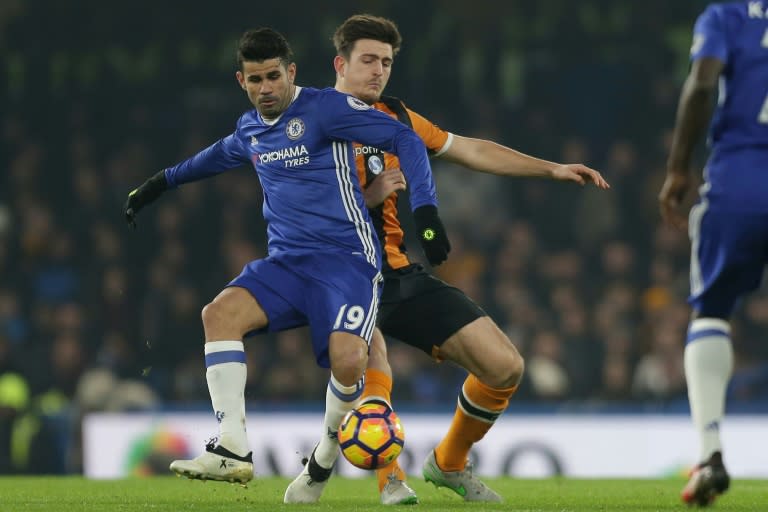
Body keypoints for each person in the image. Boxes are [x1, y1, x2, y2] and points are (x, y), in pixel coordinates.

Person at [287, 14, 609, 506]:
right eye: (368, 60)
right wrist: (364, 198)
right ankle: (386, 479)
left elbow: (471, 149)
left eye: (387, 62)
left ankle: (449, 463)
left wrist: (551, 168)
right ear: (340, 63)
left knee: (504, 366)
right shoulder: (304, 120)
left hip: (398, 271)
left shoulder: (396, 119)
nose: (378, 71)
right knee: (372, 359)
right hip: (337, 274)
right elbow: (286, 200)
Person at [122, 27, 450, 496]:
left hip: (347, 262)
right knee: (218, 315)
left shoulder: (326, 109)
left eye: (273, 76)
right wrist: (158, 184)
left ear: (291, 72)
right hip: (288, 265)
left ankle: (318, 464)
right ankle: (231, 448)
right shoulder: (250, 128)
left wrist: (428, 214)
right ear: (241, 80)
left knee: (348, 362)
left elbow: (407, 140)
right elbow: (212, 158)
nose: (265, 89)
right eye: (255, 80)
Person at [658, 1, 768, 507]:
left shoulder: (727, 16)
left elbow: (703, 83)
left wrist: (679, 167)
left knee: (713, 312)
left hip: (741, 179)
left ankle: (711, 454)